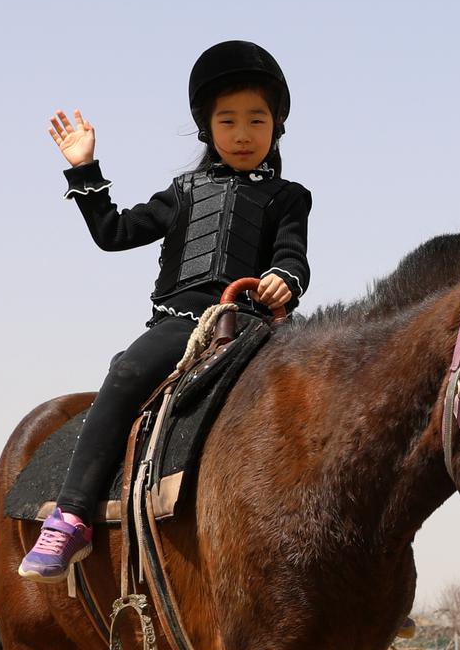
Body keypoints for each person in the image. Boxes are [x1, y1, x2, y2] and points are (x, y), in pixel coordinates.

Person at [19, 40, 313, 580]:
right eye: (228, 121)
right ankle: (72, 517)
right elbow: (113, 234)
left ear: (277, 127)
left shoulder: (289, 197)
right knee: (127, 371)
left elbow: (294, 259)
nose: (243, 133)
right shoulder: (182, 192)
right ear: (208, 129)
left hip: (255, 328)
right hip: (184, 327)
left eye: (257, 119)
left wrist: (282, 281)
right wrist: (84, 169)